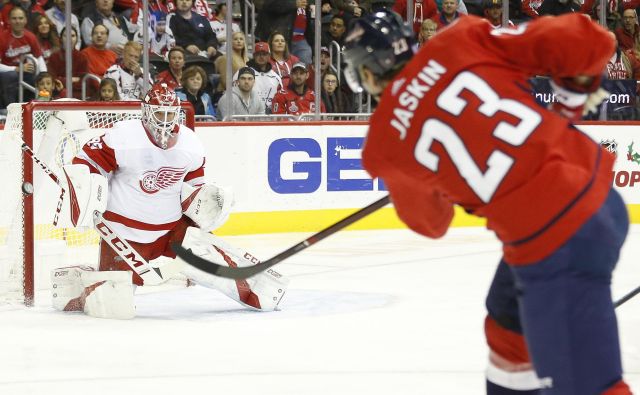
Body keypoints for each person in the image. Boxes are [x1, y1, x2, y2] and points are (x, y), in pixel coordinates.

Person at [343, 10, 631, 395]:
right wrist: (568, 102)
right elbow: (589, 39)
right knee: (506, 323)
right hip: (602, 201)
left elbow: (431, 223)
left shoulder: (382, 144)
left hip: (557, 244)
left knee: (592, 388)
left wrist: (432, 180)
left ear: (366, 72)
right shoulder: (457, 40)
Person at [54, 82, 287, 319]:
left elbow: (195, 188)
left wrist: (206, 205)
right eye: (159, 113)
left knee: (213, 269)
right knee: (111, 307)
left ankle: (256, 291)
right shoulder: (123, 136)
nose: (165, 121)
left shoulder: (190, 143)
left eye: (170, 114)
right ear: (146, 112)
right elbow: (86, 162)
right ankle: (78, 284)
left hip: (172, 230)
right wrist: (85, 190)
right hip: (123, 235)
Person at [0, 6, 46, 109]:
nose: (17, 21)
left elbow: (39, 58)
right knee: (10, 76)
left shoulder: (31, 37)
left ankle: (37, 109)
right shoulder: (2, 38)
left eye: (20, 18)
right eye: (14, 18)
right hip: (7, 74)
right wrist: (16, 69)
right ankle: (9, 111)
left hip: (27, 73)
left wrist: (44, 76)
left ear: (25, 20)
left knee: (41, 80)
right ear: (8, 20)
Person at [233, 41, 282, 113]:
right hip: (247, 114)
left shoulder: (275, 77)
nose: (261, 57)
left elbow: (280, 98)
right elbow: (234, 93)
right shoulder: (242, 73)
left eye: (264, 54)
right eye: (258, 54)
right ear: (254, 56)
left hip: (270, 115)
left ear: (269, 56)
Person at [47, 26, 87, 99]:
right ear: (61, 38)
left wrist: (62, 79)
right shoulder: (53, 57)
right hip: (58, 94)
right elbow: (53, 80)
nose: (69, 39)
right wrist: (71, 80)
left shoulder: (82, 57)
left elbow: (84, 82)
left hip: (79, 95)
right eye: (66, 36)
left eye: (72, 36)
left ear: (77, 39)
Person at [79, 23, 118, 98]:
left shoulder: (113, 55)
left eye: (102, 33)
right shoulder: (84, 54)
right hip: (94, 93)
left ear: (107, 37)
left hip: (113, 93)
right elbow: (88, 76)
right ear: (91, 36)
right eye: (96, 33)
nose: (99, 35)